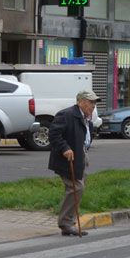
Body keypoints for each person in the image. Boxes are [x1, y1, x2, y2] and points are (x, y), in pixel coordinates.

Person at [48, 90, 98, 236]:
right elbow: (53, 134)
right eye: (90, 102)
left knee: (77, 189)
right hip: (67, 159)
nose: (93, 105)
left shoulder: (86, 118)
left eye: (94, 102)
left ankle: (68, 222)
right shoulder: (67, 114)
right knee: (76, 188)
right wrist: (65, 148)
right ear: (80, 102)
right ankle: (65, 223)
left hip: (80, 157)